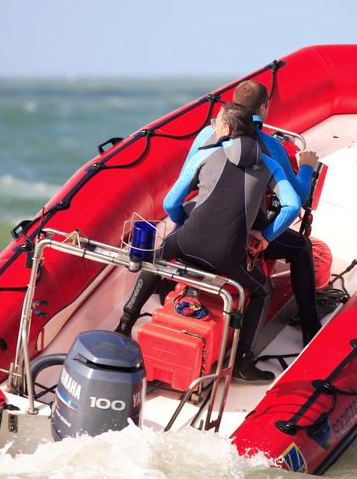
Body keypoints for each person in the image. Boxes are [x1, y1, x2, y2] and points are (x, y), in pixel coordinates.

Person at [115, 102, 300, 382]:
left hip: (187, 244)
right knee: (263, 290)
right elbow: (291, 206)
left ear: (225, 129)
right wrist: (266, 235)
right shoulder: (270, 164)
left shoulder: (207, 153)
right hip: (228, 259)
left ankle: (124, 325)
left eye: (217, 122)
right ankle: (242, 363)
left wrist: (186, 225)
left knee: (156, 258)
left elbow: (170, 203)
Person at [179, 80, 323, 345]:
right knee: (301, 246)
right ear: (264, 108)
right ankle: (310, 329)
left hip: (197, 226)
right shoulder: (271, 148)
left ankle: (157, 295)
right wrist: (306, 167)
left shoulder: (205, 136)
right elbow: (297, 199)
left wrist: (184, 222)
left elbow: (185, 182)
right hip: (240, 235)